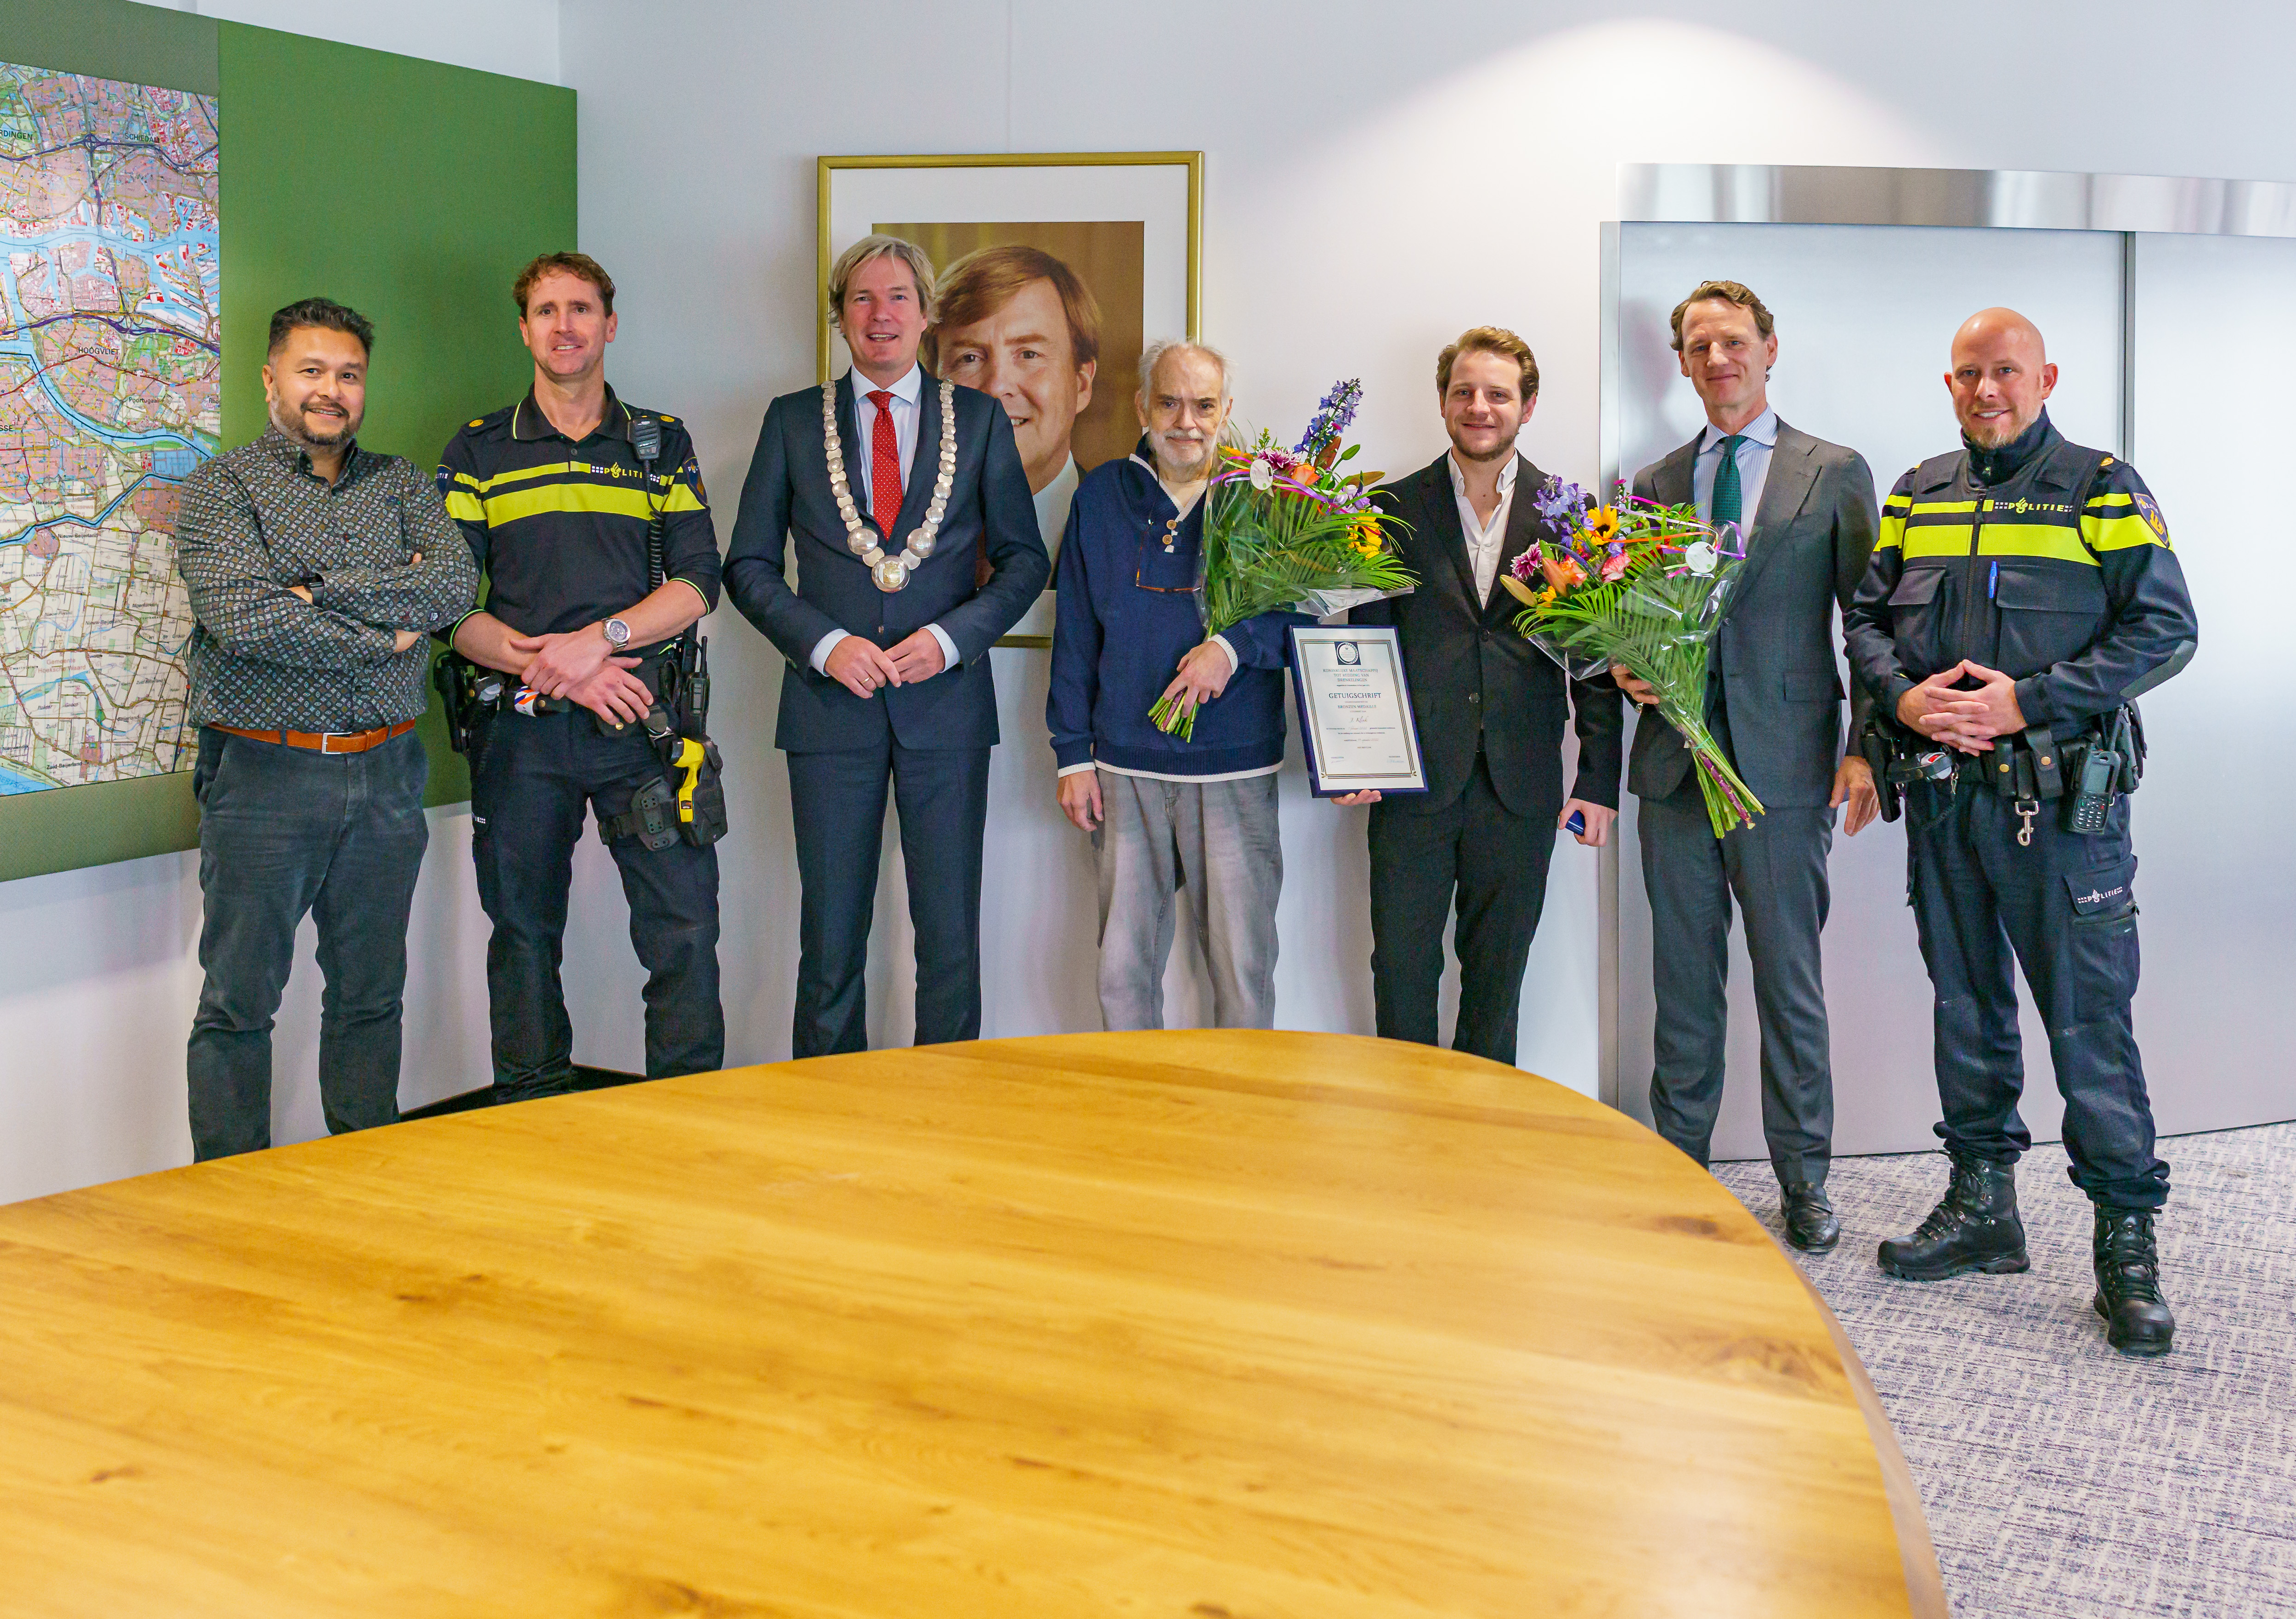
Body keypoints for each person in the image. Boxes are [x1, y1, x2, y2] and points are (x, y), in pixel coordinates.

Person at [1844, 307, 2197, 1357]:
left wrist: (2027, 701)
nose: (1986, 390)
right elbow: (1864, 618)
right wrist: (1904, 702)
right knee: (1967, 1008)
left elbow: (2167, 628)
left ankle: (2125, 1247)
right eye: (1967, 375)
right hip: (1946, 800)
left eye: (2005, 371)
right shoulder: (1917, 491)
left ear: (2044, 376)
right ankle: (1984, 1208)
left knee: (2089, 1024)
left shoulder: (2102, 485)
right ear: (1947, 385)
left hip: (2063, 806)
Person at [725, 234, 1049, 1056]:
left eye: (898, 296)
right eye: (863, 299)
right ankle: (829, 1116)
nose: (881, 315)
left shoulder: (975, 420)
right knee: (830, 939)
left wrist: (950, 639)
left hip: (946, 712)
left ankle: (946, 1112)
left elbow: (1023, 561)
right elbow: (749, 566)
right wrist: (823, 643)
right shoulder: (792, 421)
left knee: (949, 937)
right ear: (840, 316)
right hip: (829, 711)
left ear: (926, 312)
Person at [174, 297, 478, 1159]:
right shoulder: (222, 488)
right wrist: (386, 624)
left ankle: (364, 1178)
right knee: (239, 1003)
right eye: (311, 371)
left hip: (387, 772)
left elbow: (452, 588)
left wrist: (319, 587)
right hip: (264, 779)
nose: (330, 390)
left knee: (371, 995)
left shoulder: (405, 485)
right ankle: (231, 1192)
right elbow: (246, 620)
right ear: (271, 378)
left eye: (348, 374)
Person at [1614, 282, 1881, 1252]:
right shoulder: (1646, 485)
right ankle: (1678, 1168)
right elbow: (1631, 618)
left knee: (1789, 982)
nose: (1717, 357)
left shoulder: (1835, 471)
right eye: (1698, 345)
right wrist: (1627, 662)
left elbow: (1870, 630)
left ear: (1770, 349)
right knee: (1684, 985)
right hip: (1676, 772)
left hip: (1787, 771)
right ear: (1682, 364)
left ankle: (1805, 1180)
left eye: (1733, 340)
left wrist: (1865, 749)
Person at [437, 252, 724, 1101]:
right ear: (524, 328)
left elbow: (697, 583)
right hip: (519, 734)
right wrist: (560, 669)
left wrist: (598, 642)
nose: (565, 326)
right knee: (522, 935)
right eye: (547, 310)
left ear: (610, 323)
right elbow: (449, 606)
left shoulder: (659, 441)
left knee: (684, 932)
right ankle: (530, 1122)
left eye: (582, 308)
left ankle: (687, 1120)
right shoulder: (479, 447)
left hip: (645, 726)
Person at [1336, 327, 1623, 1066]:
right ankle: (1405, 1138)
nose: (1479, 407)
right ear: (1441, 402)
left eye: (1498, 393)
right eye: (1464, 391)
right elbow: (1366, 643)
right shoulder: (1389, 506)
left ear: (1527, 407)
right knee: (1400, 973)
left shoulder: (1570, 516)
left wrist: (1597, 780)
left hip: (1520, 788)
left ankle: (1479, 1148)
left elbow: (1593, 660)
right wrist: (1355, 754)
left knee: (1497, 983)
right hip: (1410, 786)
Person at [1046, 339, 1297, 1030]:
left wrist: (1230, 647)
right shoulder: (1100, 496)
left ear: (1227, 412)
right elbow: (1074, 633)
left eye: (1204, 405)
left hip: (1234, 766)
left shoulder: (1269, 501)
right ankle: (1135, 1122)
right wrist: (1072, 755)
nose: (1186, 420)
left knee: (1243, 968)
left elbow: (1300, 617)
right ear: (1141, 406)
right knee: (1123, 972)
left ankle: (1239, 1125)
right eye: (1169, 402)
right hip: (1123, 764)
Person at [926, 244, 1100, 565]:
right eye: (969, 358)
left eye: (1029, 354)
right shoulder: (891, 532)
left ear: (1081, 384)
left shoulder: (1134, 538)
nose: (997, 387)